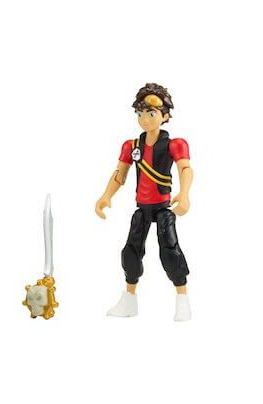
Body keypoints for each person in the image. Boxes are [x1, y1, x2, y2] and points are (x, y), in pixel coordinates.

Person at [95, 83, 193, 321]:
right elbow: (120, 174)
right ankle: (129, 300)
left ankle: (182, 300)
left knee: (170, 252)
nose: (144, 119)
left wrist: (185, 194)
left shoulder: (174, 144)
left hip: (163, 209)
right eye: (140, 113)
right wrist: (106, 195)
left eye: (151, 113)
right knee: (130, 253)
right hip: (142, 209)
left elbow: (185, 169)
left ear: (165, 116)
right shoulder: (132, 146)